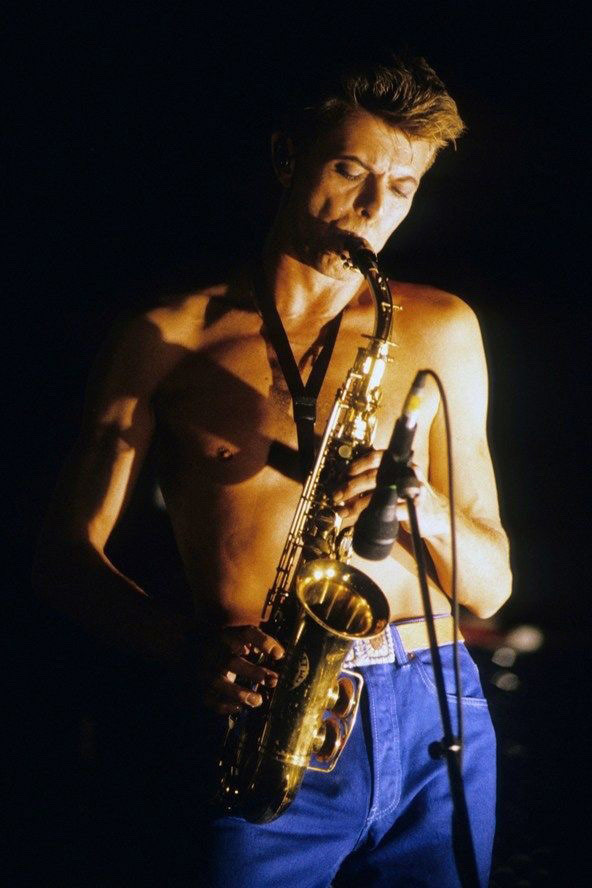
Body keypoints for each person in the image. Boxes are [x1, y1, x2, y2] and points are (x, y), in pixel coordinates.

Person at [34, 53, 512, 887]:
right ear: (288, 156)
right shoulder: (167, 337)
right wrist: (186, 650)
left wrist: (422, 505)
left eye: (402, 189)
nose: (373, 210)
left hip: (437, 708)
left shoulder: (442, 327)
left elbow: (493, 588)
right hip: (266, 716)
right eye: (351, 171)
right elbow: (62, 560)